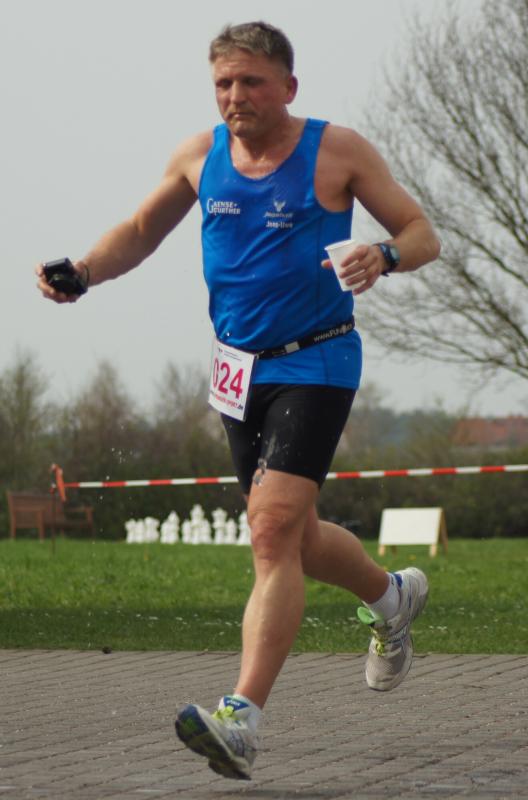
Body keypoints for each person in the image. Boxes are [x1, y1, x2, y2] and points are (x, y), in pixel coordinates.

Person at [36, 21, 441, 781]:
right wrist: (85, 271)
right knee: (295, 537)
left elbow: (423, 232)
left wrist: (383, 253)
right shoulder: (201, 156)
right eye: (223, 83)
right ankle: (391, 599)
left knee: (271, 529)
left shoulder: (337, 151)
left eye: (251, 81)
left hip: (317, 357)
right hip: (237, 371)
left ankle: (241, 718)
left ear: (288, 86)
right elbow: (141, 230)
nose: (236, 96)